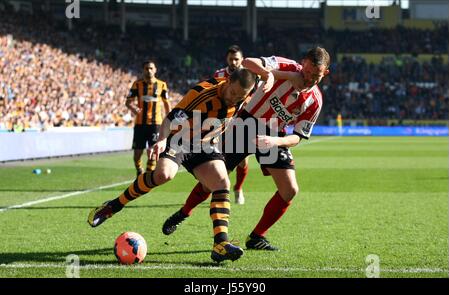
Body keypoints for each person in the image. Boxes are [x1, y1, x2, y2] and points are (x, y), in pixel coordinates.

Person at [162, 47, 331, 251]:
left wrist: (275, 141)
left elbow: (298, 136)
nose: (310, 78)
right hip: (245, 124)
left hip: (273, 137)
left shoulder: (315, 101)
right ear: (303, 63)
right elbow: (248, 63)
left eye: (317, 76)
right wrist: (276, 74)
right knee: (213, 181)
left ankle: (257, 237)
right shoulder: (287, 66)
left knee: (290, 190)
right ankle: (184, 212)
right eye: (308, 72)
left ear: (325, 73)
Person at [88, 68, 257, 263]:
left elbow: (268, 72)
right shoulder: (201, 94)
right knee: (163, 175)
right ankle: (113, 206)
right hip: (180, 141)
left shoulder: (246, 93)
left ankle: (221, 244)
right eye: (232, 93)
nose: (234, 99)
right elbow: (171, 118)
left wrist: (269, 77)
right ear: (227, 82)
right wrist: (161, 140)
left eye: (240, 96)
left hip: (205, 145)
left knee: (222, 182)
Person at [211, 45, 249, 204]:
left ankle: (238, 188)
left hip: (240, 123)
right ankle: (218, 188)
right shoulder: (219, 74)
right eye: (231, 59)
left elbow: (253, 97)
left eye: (237, 59)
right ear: (227, 59)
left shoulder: (249, 76)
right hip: (220, 121)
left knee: (243, 160)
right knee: (217, 157)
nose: (233, 62)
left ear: (242, 60)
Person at [126, 60, 171, 176]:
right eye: (146, 68)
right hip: (140, 124)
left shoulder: (162, 85)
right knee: (137, 153)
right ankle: (139, 169)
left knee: (153, 150)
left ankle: (148, 174)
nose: (149, 70)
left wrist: (170, 119)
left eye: (151, 68)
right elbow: (128, 102)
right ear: (143, 70)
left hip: (156, 124)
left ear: (155, 70)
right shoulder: (137, 84)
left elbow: (166, 103)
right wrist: (134, 108)